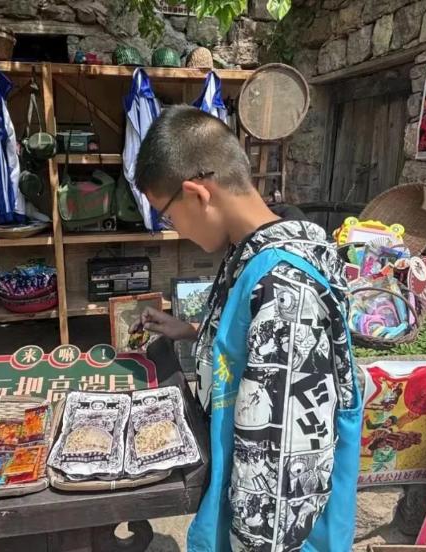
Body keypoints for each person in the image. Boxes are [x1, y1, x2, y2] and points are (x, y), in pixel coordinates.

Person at [130, 106, 361, 552]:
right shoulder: (258, 248)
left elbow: (279, 475)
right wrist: (191, 330)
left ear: (197, 194)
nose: (174, 229)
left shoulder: (284, 289)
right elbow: (256, 350)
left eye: (168, 216)